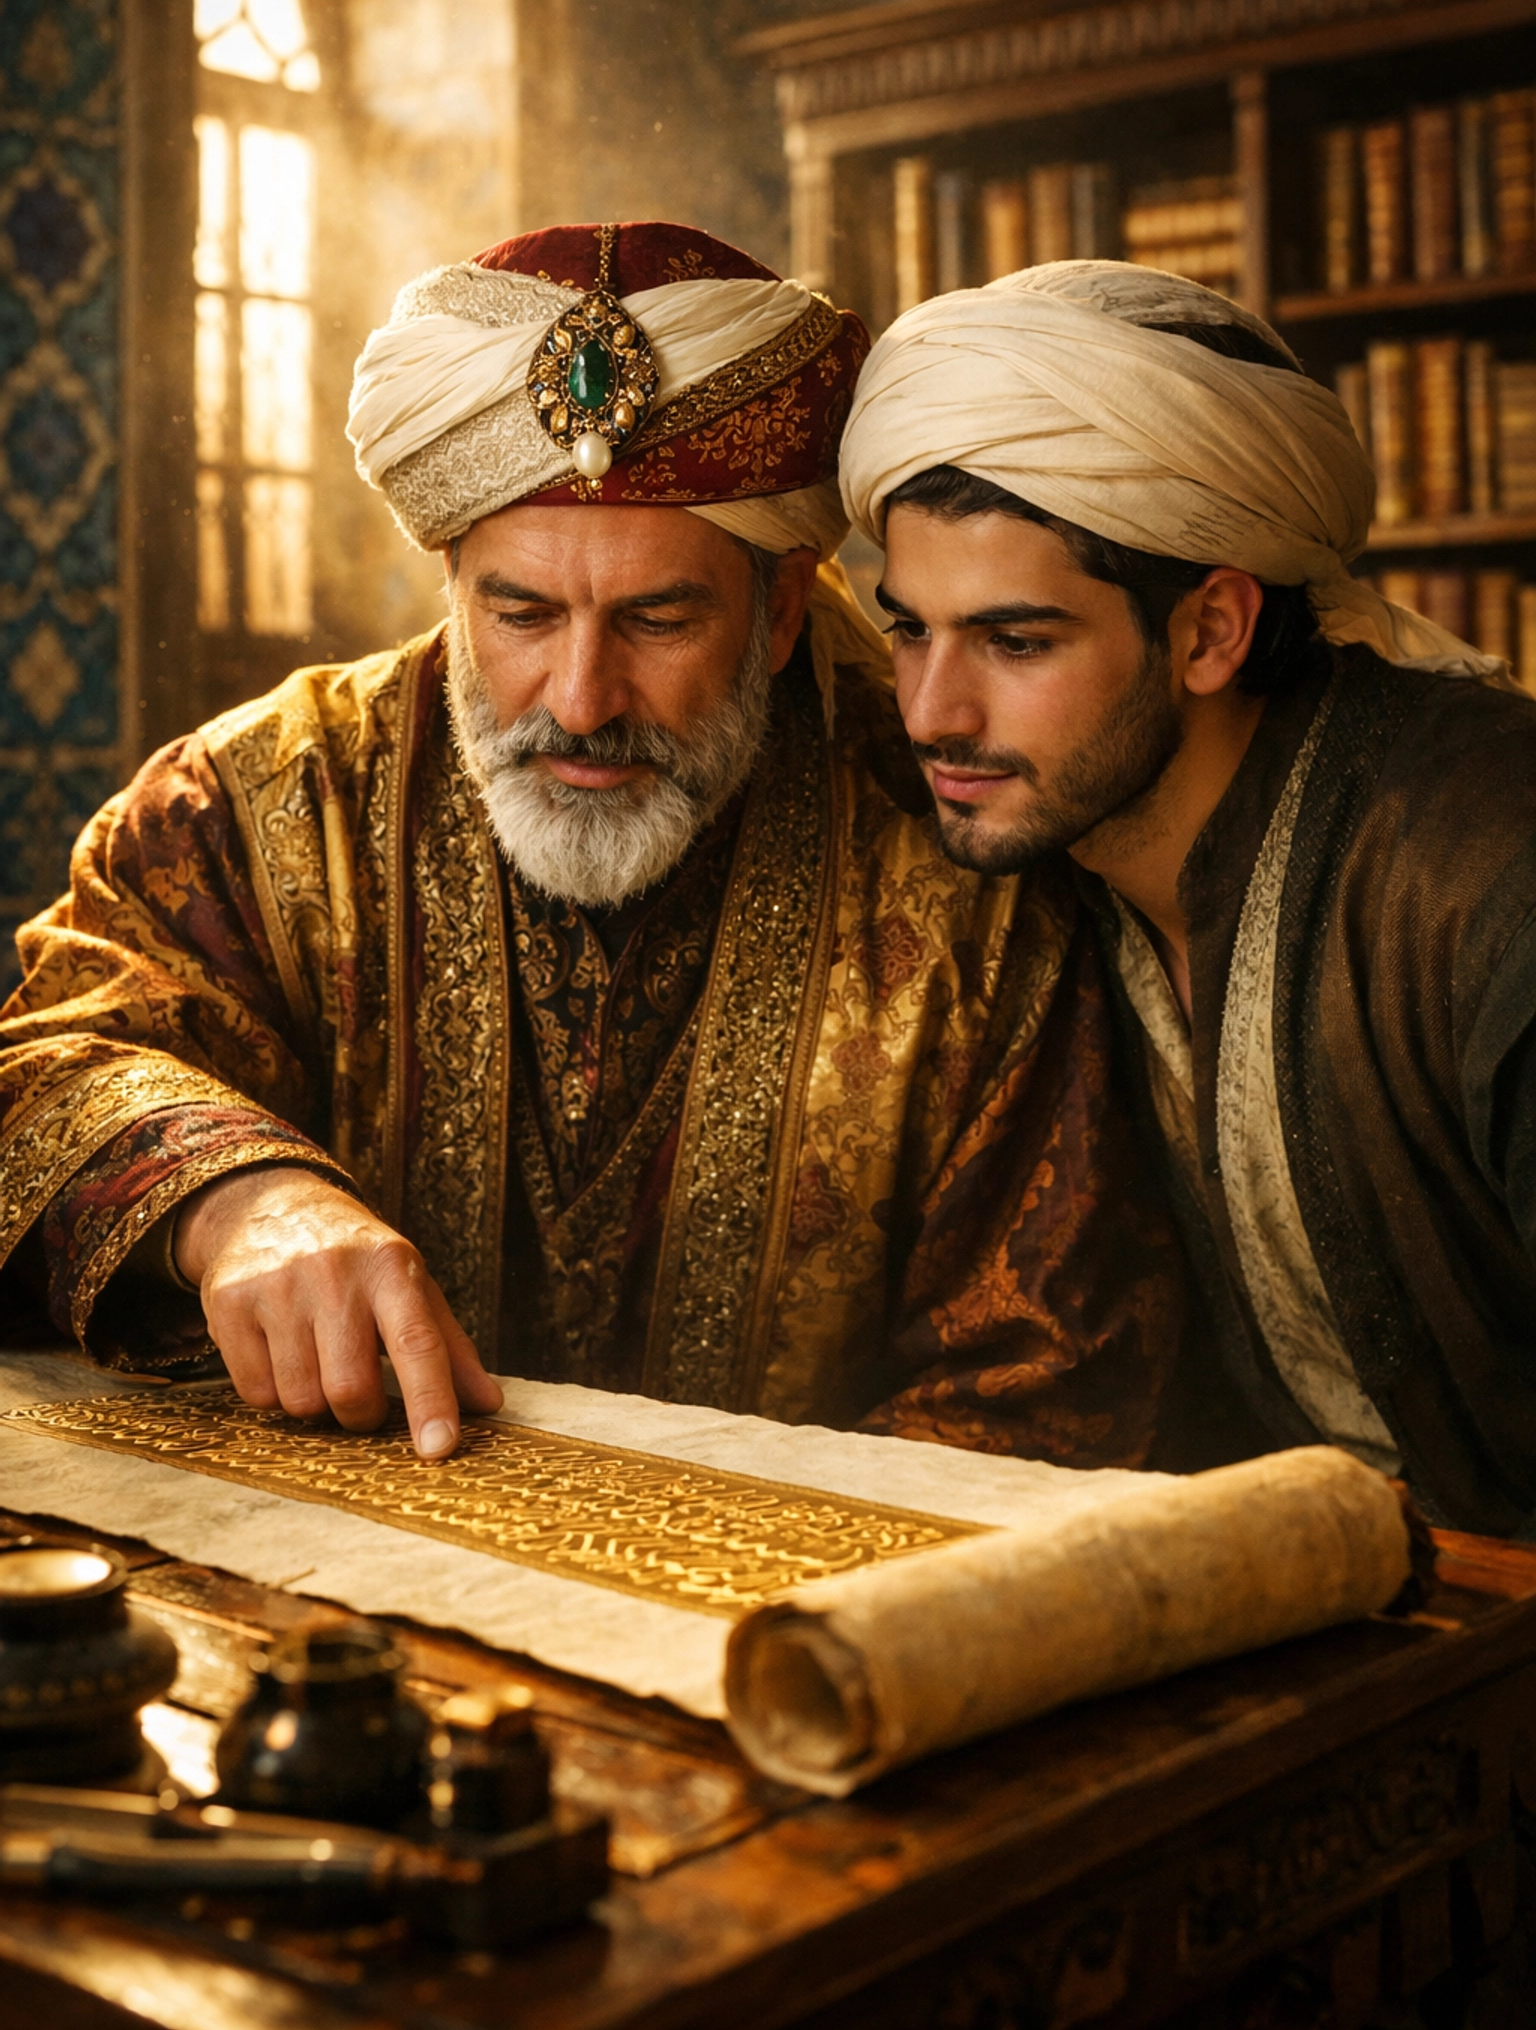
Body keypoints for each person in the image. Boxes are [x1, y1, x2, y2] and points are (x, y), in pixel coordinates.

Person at [0, 224, 1179, 1467]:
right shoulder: (263, 805)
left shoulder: (969, 859)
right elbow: (48, 1063)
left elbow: (1048, 1383)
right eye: (520, 612)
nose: (580, 697)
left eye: (659, 619)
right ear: (452, 581)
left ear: (780, 610)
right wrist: (235, 1202)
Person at [840, 258, 1536, 1535]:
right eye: (909, 629)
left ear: (1210, 632)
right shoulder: (1054, 870)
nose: (935, 711)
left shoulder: (1490, 870)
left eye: (1016, 642)